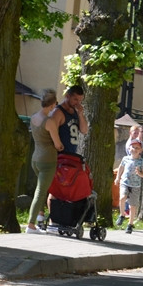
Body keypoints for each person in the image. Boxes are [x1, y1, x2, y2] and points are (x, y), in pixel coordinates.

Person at [26, 89, 59, 233]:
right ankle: (30, 225)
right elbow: (57, 144)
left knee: (40, 189)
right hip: (48, 159)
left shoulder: (33, 117)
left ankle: (40, 218)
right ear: (52, 105)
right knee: (40, 192)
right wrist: (61, 146)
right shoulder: (49, 122)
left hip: (35, 158)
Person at [114, 140, 143, 234]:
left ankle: (130, 224)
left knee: (132, 206)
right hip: (125, 182)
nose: (135, 149)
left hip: (136, 185)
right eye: (133, 147)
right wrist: (117, 178)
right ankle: (122, 215)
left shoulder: (142, 161)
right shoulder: (125, 159)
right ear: (129, 148)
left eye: (137, 148)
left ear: (141, 150)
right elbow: (121, 168)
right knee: (122, 198)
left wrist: (139, 173)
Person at [47, 84, 88, 155]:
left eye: (80, 101)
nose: (78, 103)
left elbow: (84, 131)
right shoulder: (58, 112)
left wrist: (80, 114)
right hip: (60, 156)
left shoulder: (76, 111)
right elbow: (51, 133)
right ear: (67, 96)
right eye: (75, 99)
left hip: (71, 155)